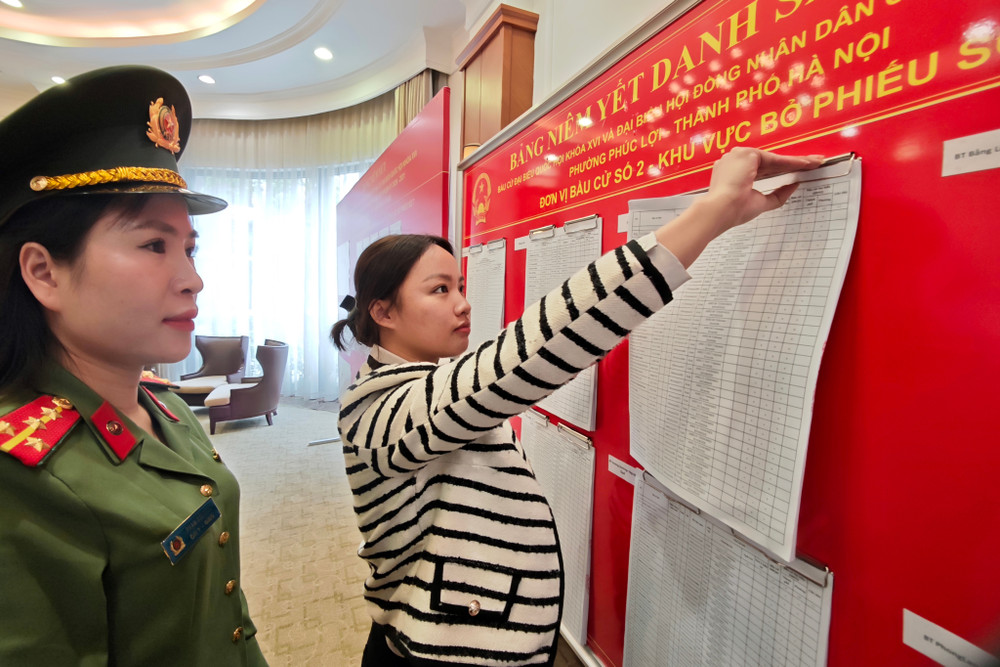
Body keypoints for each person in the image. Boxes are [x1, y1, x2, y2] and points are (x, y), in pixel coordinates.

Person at [331, 147, 823, 666]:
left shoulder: (427, 381)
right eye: (438, 290)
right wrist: (714, 210)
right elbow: (535, 347)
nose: (463, 303)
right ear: (383, 312)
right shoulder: (375, 410)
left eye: (460, 285)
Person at [0, 66, 267, 666]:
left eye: (189, 249)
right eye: (153, 245)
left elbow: (225, 609)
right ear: (44, 272)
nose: (193, 280)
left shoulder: (164, 405)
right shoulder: (20, 475)